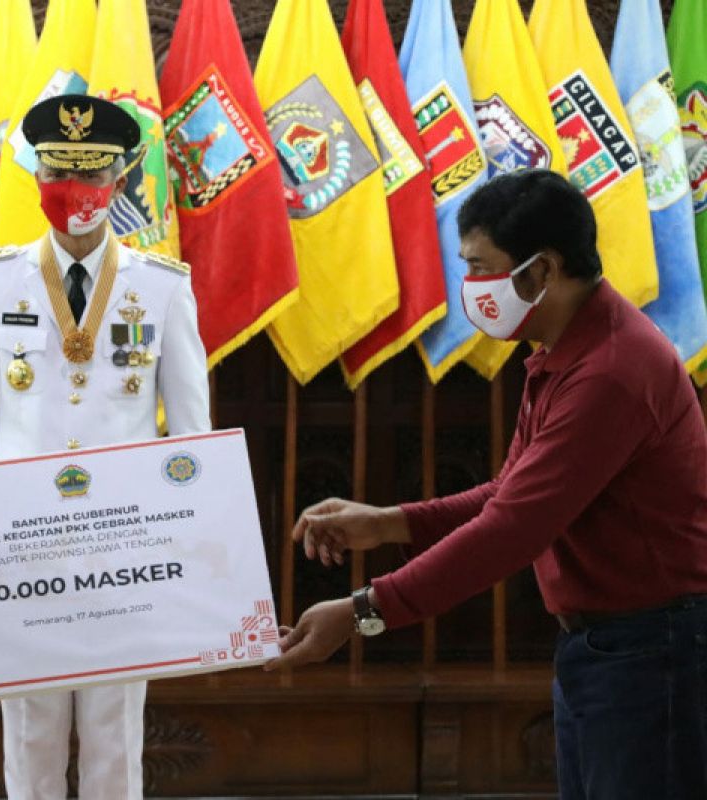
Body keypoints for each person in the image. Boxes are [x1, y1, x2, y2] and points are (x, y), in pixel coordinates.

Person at [269, 169, 707, 799]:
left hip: (652, 652)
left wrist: (362, 612)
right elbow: (511, 491)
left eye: (480, 267)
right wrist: (388, 521)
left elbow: (511, 530)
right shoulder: (568, 346)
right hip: (608, 648)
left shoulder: (611, 371)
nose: (471, 287)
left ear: (542, 269)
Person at [0, 94, 211, 799]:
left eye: (92, 182)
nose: (76, 198)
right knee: (28, 732)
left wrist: (194, 545)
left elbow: (191, 437)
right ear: (38, 184)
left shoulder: (161, 289)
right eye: (60, 180)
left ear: (118, 185)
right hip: (19, 542)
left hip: (125, 548)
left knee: (115, 734)